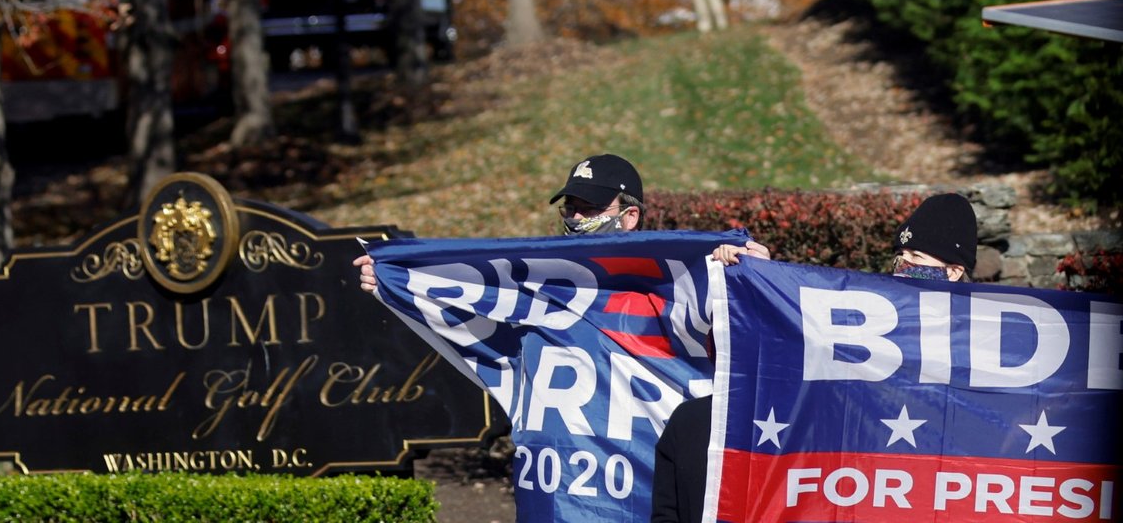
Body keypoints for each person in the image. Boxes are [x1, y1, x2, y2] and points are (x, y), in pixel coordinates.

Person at [649, 192, 978, 523]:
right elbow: (808, 331)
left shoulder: (986, 334)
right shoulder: (874, 316)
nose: (902, 263)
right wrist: (760, 274)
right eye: (900, 253)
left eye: (916, 255)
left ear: (953, 272)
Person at [353, 153, 770, 292]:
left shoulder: (675, 269)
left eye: (589, 209)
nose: (574, 217)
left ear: (629, 217)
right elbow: (479, 282)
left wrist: (751, 267)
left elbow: (749, 312)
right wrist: (396, 276)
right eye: (570, 207)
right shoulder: (546, 269)